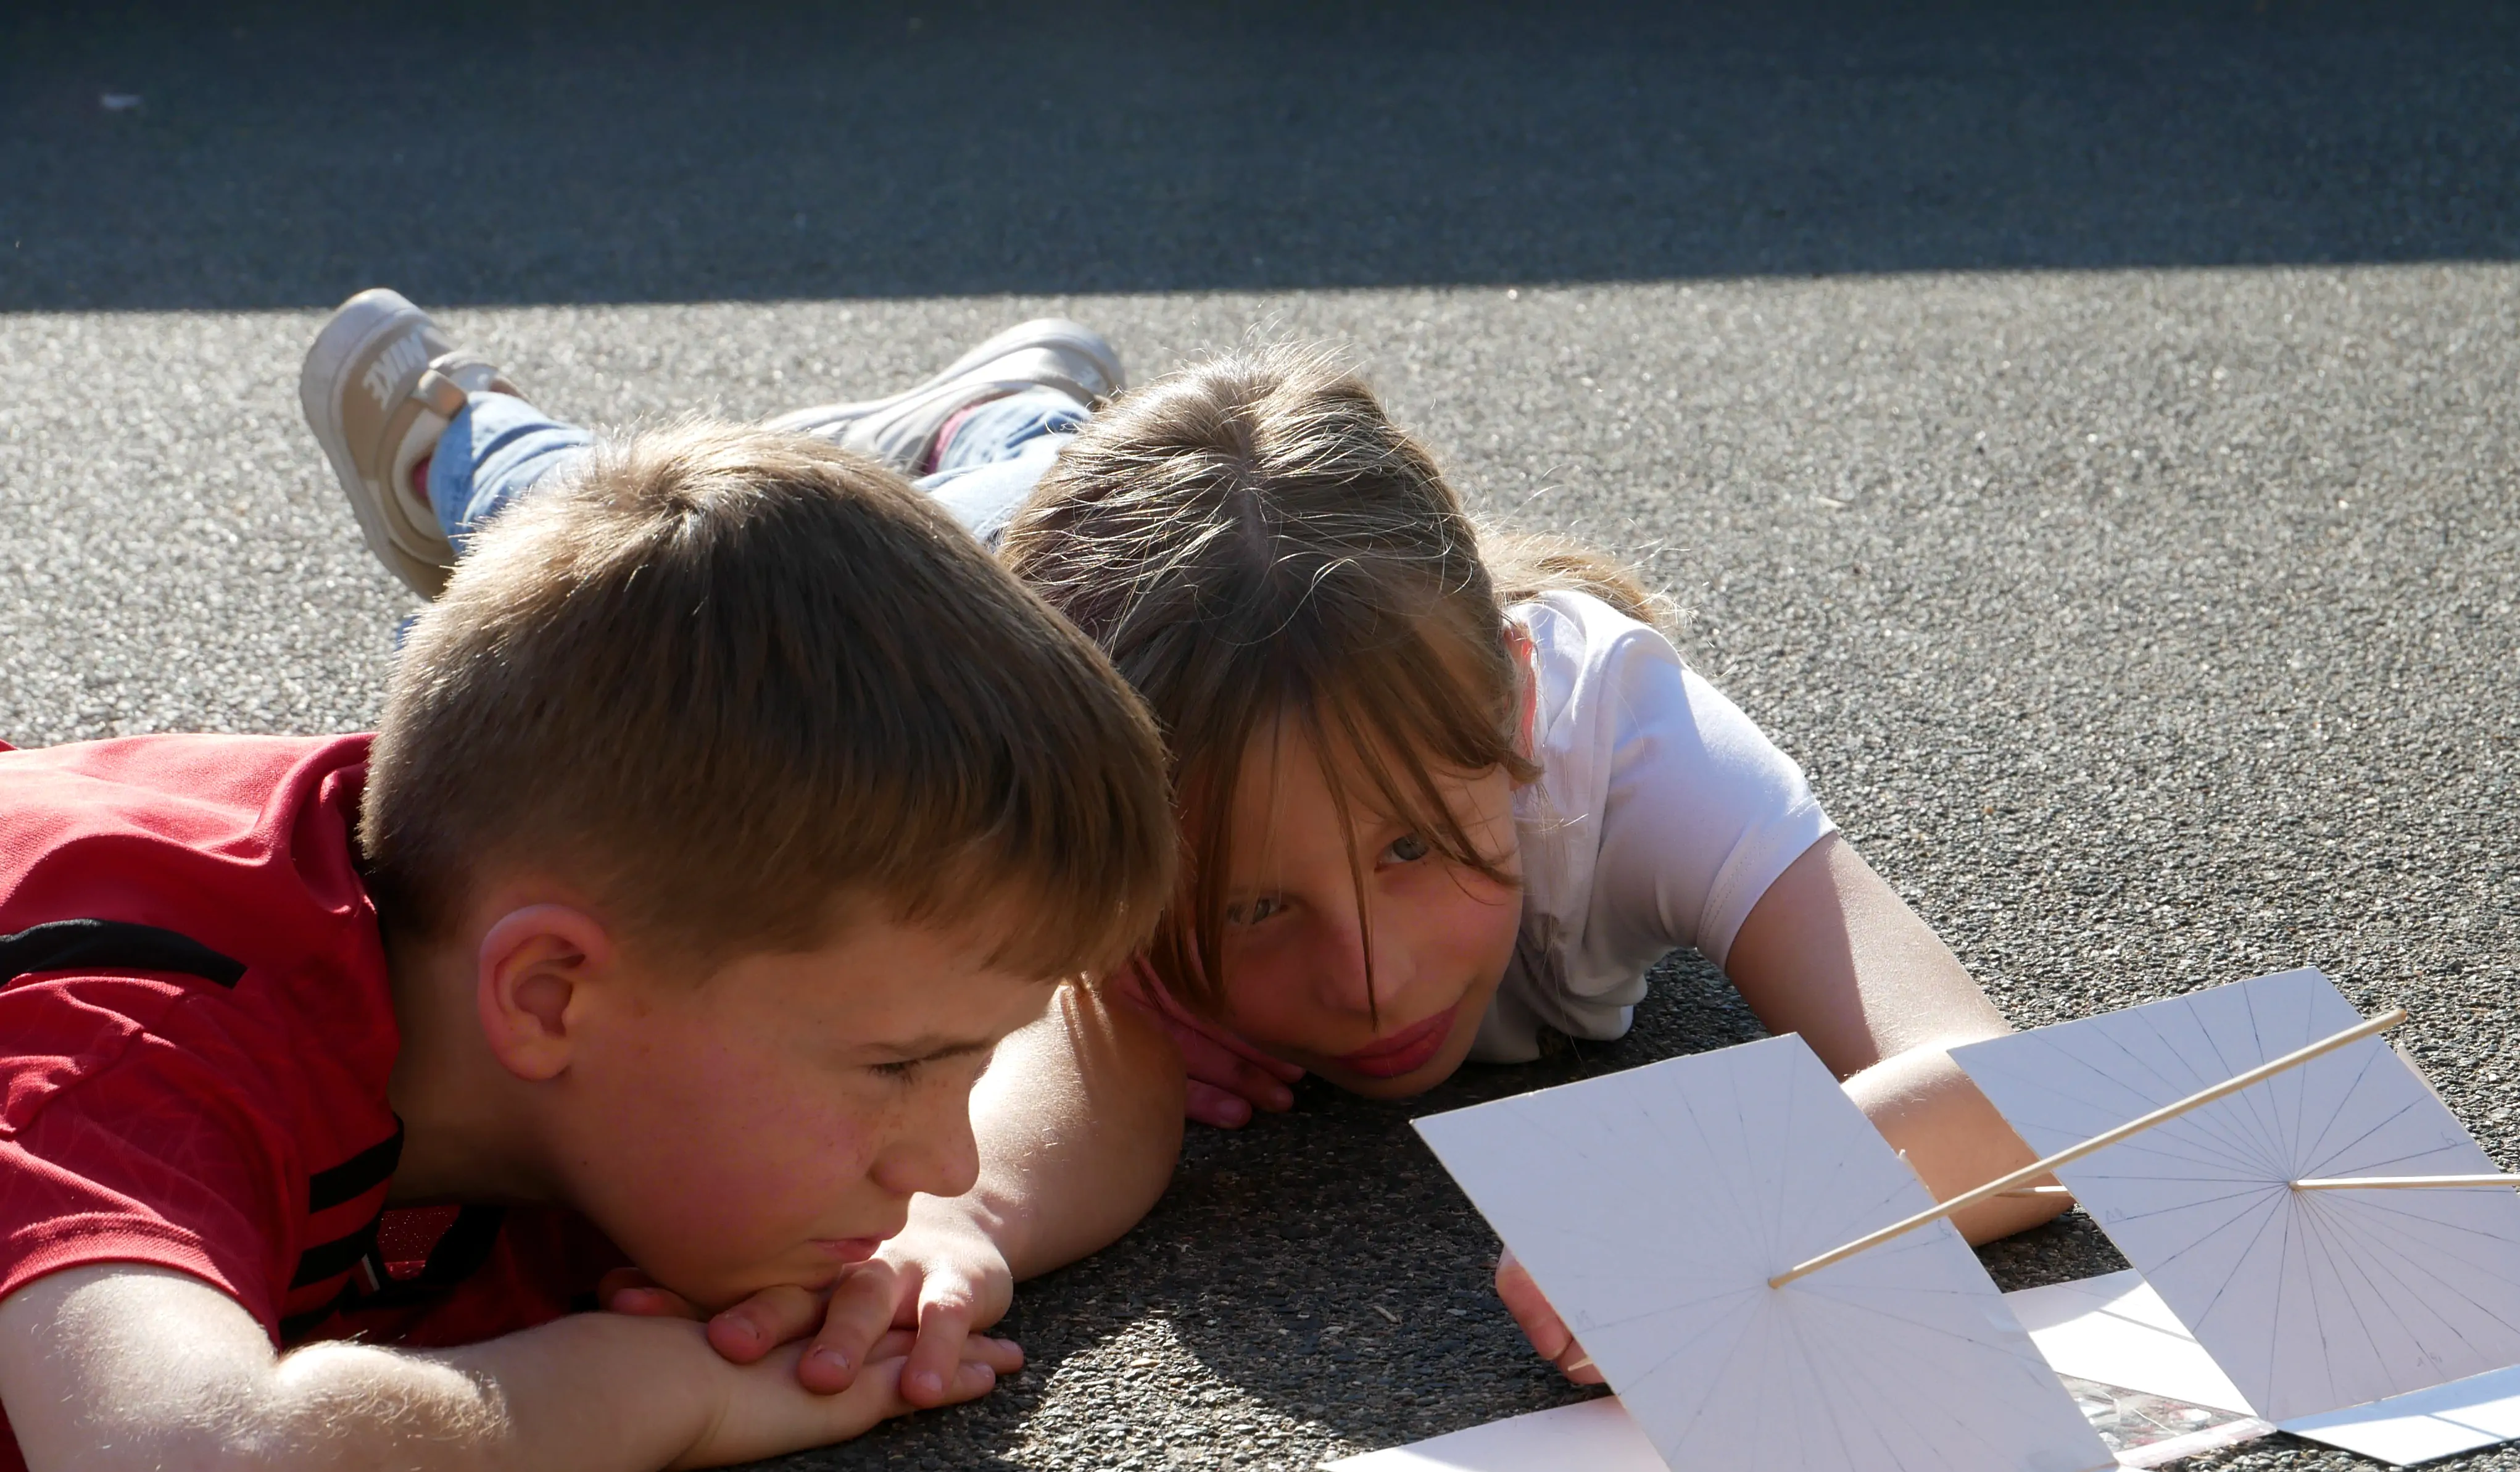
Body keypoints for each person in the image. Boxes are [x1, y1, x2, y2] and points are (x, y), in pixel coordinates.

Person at [299, 299, 2060, 1392]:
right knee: (617, 548)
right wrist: (954, 1244)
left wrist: (1763, 1213)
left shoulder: (1608, 718)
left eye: (1423, 849)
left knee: (1036, 464)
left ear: (1511, 715)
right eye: (1248, 908)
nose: (1362, 976)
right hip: (985, 572)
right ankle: (478, 431)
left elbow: (2010, 1088)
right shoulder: (1056, 786)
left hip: (1088, 539)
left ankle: (1000, 416)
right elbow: (1076, 1104)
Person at [0, 409, 1179, 1472]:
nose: (942, 1153)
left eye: (968, 1062)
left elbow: (1108, 1026)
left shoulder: (588, 921)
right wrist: (658, 1386)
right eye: (896, 1067)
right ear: (549, 997)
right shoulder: (127, 1035)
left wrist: (960, 1232)